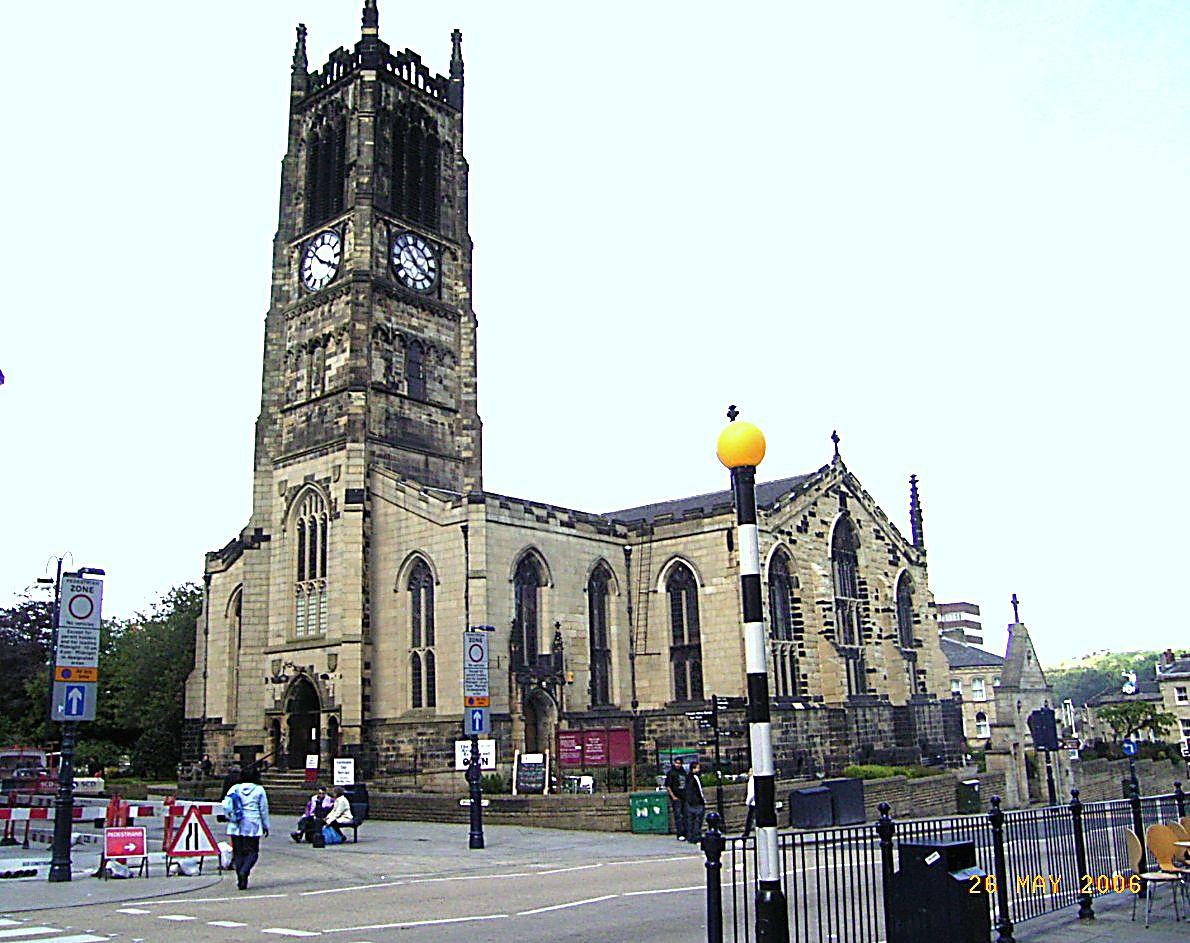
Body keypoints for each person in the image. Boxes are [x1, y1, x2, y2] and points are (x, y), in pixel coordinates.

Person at [222, 767, 270, 890]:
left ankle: (240, 877)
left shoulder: (235, 788)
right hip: (252, 823)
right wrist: (265, 825)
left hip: (236, 823)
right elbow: (263, 809)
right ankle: (245, 871)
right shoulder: (259, 790)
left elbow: (226, 804)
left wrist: (228, 817)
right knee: (253, 852)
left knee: (238, 852)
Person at [664, 757, 688, 841]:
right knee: (678, 816)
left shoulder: (683, 772)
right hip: (676, 797)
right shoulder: (671, 773)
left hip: (684, 797)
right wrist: (673, 796)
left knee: (685, 815)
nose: (677, 765)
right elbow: (668, 786)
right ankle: (680, 833)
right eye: (676, 763)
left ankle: (686, 833)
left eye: (679, 763)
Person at [685, 760, 706, 844]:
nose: (699, 770)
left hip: (689, 802)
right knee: (698, 820)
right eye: (698, 768)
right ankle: (696, 836)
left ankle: (690, 837)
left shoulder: (687, 777)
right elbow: (699, 790)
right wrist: (702, 800)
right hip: (697, 802)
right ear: (694, 769)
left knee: (690, 821)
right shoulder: (695, 778)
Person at [741, 767, 756, 839]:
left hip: (753, 803)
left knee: (750, 820)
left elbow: (751, 793)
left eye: (750, 771)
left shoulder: (751, 780)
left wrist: (747, 802)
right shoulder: (754, 779)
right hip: (756, 803)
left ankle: (746, 835)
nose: (748, 773)